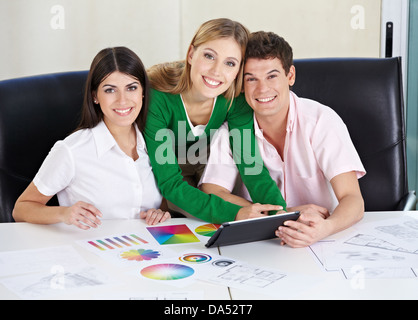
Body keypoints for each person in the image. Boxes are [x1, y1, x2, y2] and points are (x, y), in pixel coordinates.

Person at [200, 31, 366, 247]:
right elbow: (213, 190)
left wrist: (325, 228)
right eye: (251, 79)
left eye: (272, 76)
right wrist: (282, 213)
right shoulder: (232, 130)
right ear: (241, 84)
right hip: (260, 243)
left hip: (322, 240)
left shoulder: (321, 121)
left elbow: (353, 199)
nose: (262, 89)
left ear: (290, 76)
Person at [144, 18, 286, 224]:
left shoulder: (236, 100)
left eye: (230, 63)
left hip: (208, 170)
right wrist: (235, 214)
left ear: (239, 70)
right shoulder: (158, 96)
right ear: (191, 54)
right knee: (177, 205)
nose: (216, 71)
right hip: (167, 174)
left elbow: (250, 165)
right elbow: (171, 184)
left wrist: (280, 213)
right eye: (209, 56)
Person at [13, 47, 170, 229]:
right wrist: (64, 213)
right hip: (90, 252)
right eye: (110, 90)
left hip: (145, 252)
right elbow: (21, 209)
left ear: (143, 91)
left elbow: (163, 201)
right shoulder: (72, 150)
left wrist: (159, 213)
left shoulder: (157, 143)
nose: (123, 100)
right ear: (95, 96)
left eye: (131, 88)